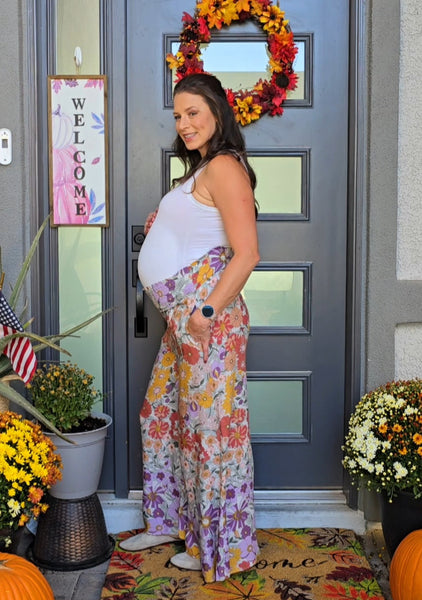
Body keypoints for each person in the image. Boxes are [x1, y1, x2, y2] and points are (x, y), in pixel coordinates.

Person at [120, 73, 260, 583]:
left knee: (210, 435)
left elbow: (248, 254)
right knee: (159, 416)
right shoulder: (203, 170)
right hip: (183, 323)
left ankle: (217, 548)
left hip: (206, 322)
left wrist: (204, 314)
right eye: (178, 116)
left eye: (193, 113)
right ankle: (168, 520)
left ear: (218, 113)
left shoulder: (225, 167)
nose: (184, 124)